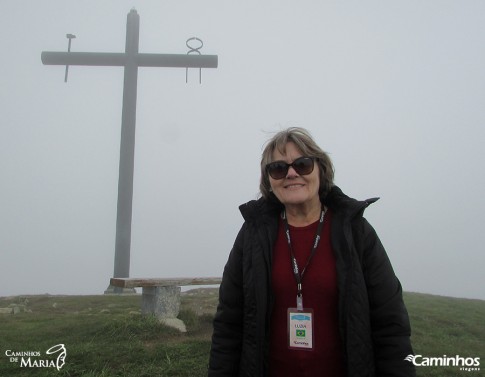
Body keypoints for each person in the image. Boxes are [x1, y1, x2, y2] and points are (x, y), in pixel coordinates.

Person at [208, 127, 415, 377]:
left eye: (303, 164)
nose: (291, 173)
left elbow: (390, 324)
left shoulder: (356, 231)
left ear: (321, 169)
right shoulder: (253, 234)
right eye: (278, 168)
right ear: (269, 180)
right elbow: (229, 324)